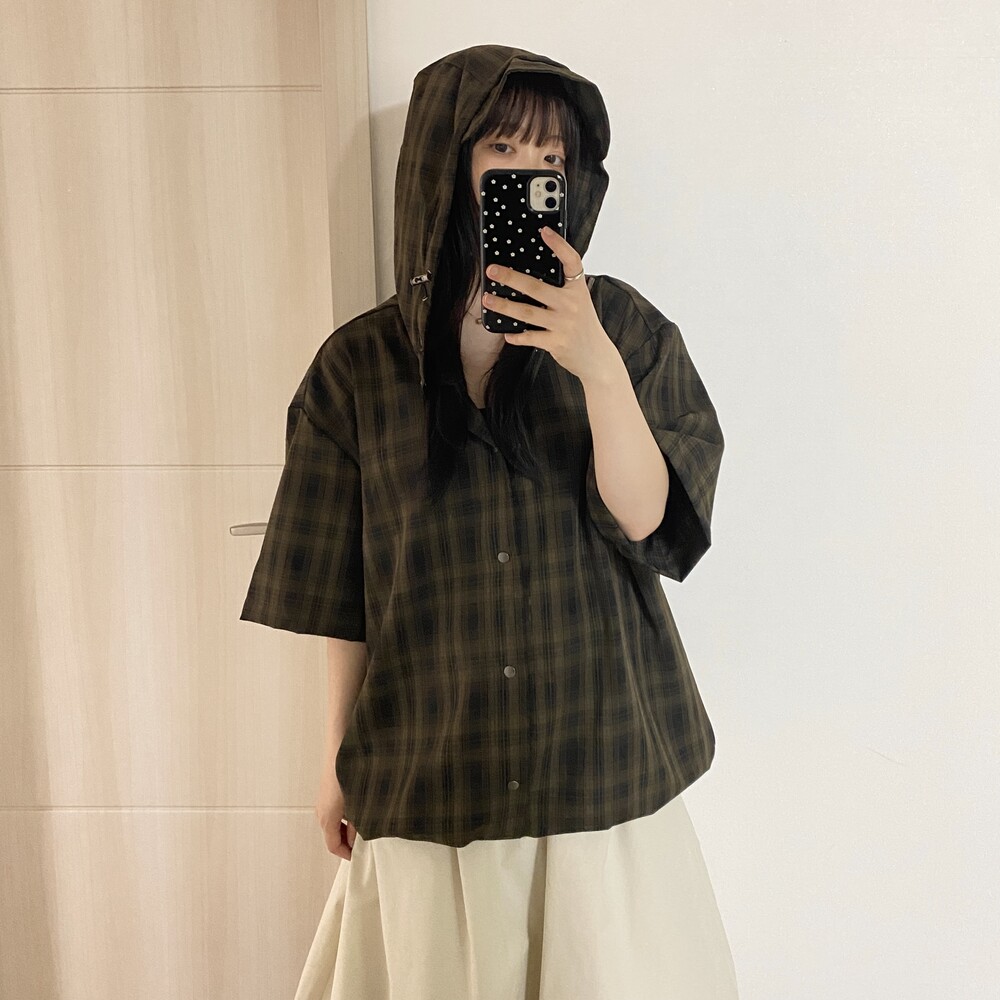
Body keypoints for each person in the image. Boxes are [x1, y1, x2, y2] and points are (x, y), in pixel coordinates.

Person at [240, 43, 738, 1000]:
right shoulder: (357, 370)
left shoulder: (625, 331)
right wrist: (337, 759)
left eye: (550, 160)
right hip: (433, 772)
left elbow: (649, 522)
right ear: (446, 163)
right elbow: (345, 593)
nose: (529, 176)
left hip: (597, 771)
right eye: (502, 152)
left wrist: (594, 364)